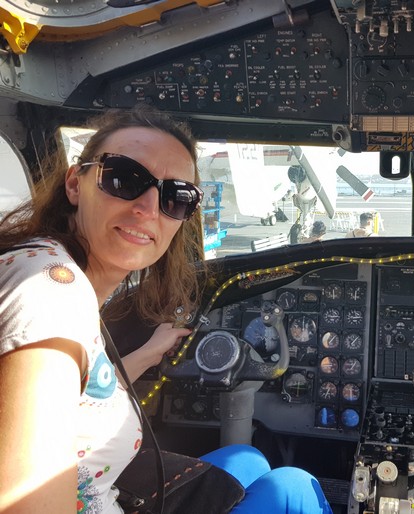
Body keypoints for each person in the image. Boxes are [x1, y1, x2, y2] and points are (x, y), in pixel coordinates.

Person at [0, 106, 332, 514]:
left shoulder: (46, 266)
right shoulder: (50, 292)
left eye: (176, 197)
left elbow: (83, 391)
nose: (149, 208)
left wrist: (147, 354)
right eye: (124, 178)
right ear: (75, 183)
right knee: (293, 488)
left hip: (103, 493)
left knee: (247, 459)